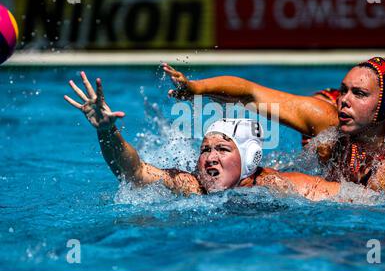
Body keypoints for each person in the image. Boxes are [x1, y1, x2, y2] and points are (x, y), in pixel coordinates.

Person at [163, 57, 385, 199]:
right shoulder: (328, 121)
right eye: (343, 91)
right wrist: (195, 88)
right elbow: (250, 94)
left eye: (359, 94)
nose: (344, 101)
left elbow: (377, 219)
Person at [63, 72, 341, 201]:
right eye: (205, 149)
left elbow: (356, 199)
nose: (210, 157)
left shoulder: (276, 186)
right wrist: (107, 132)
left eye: (222, 148)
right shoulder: (193, 186)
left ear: (249, 159)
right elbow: (134, 172)